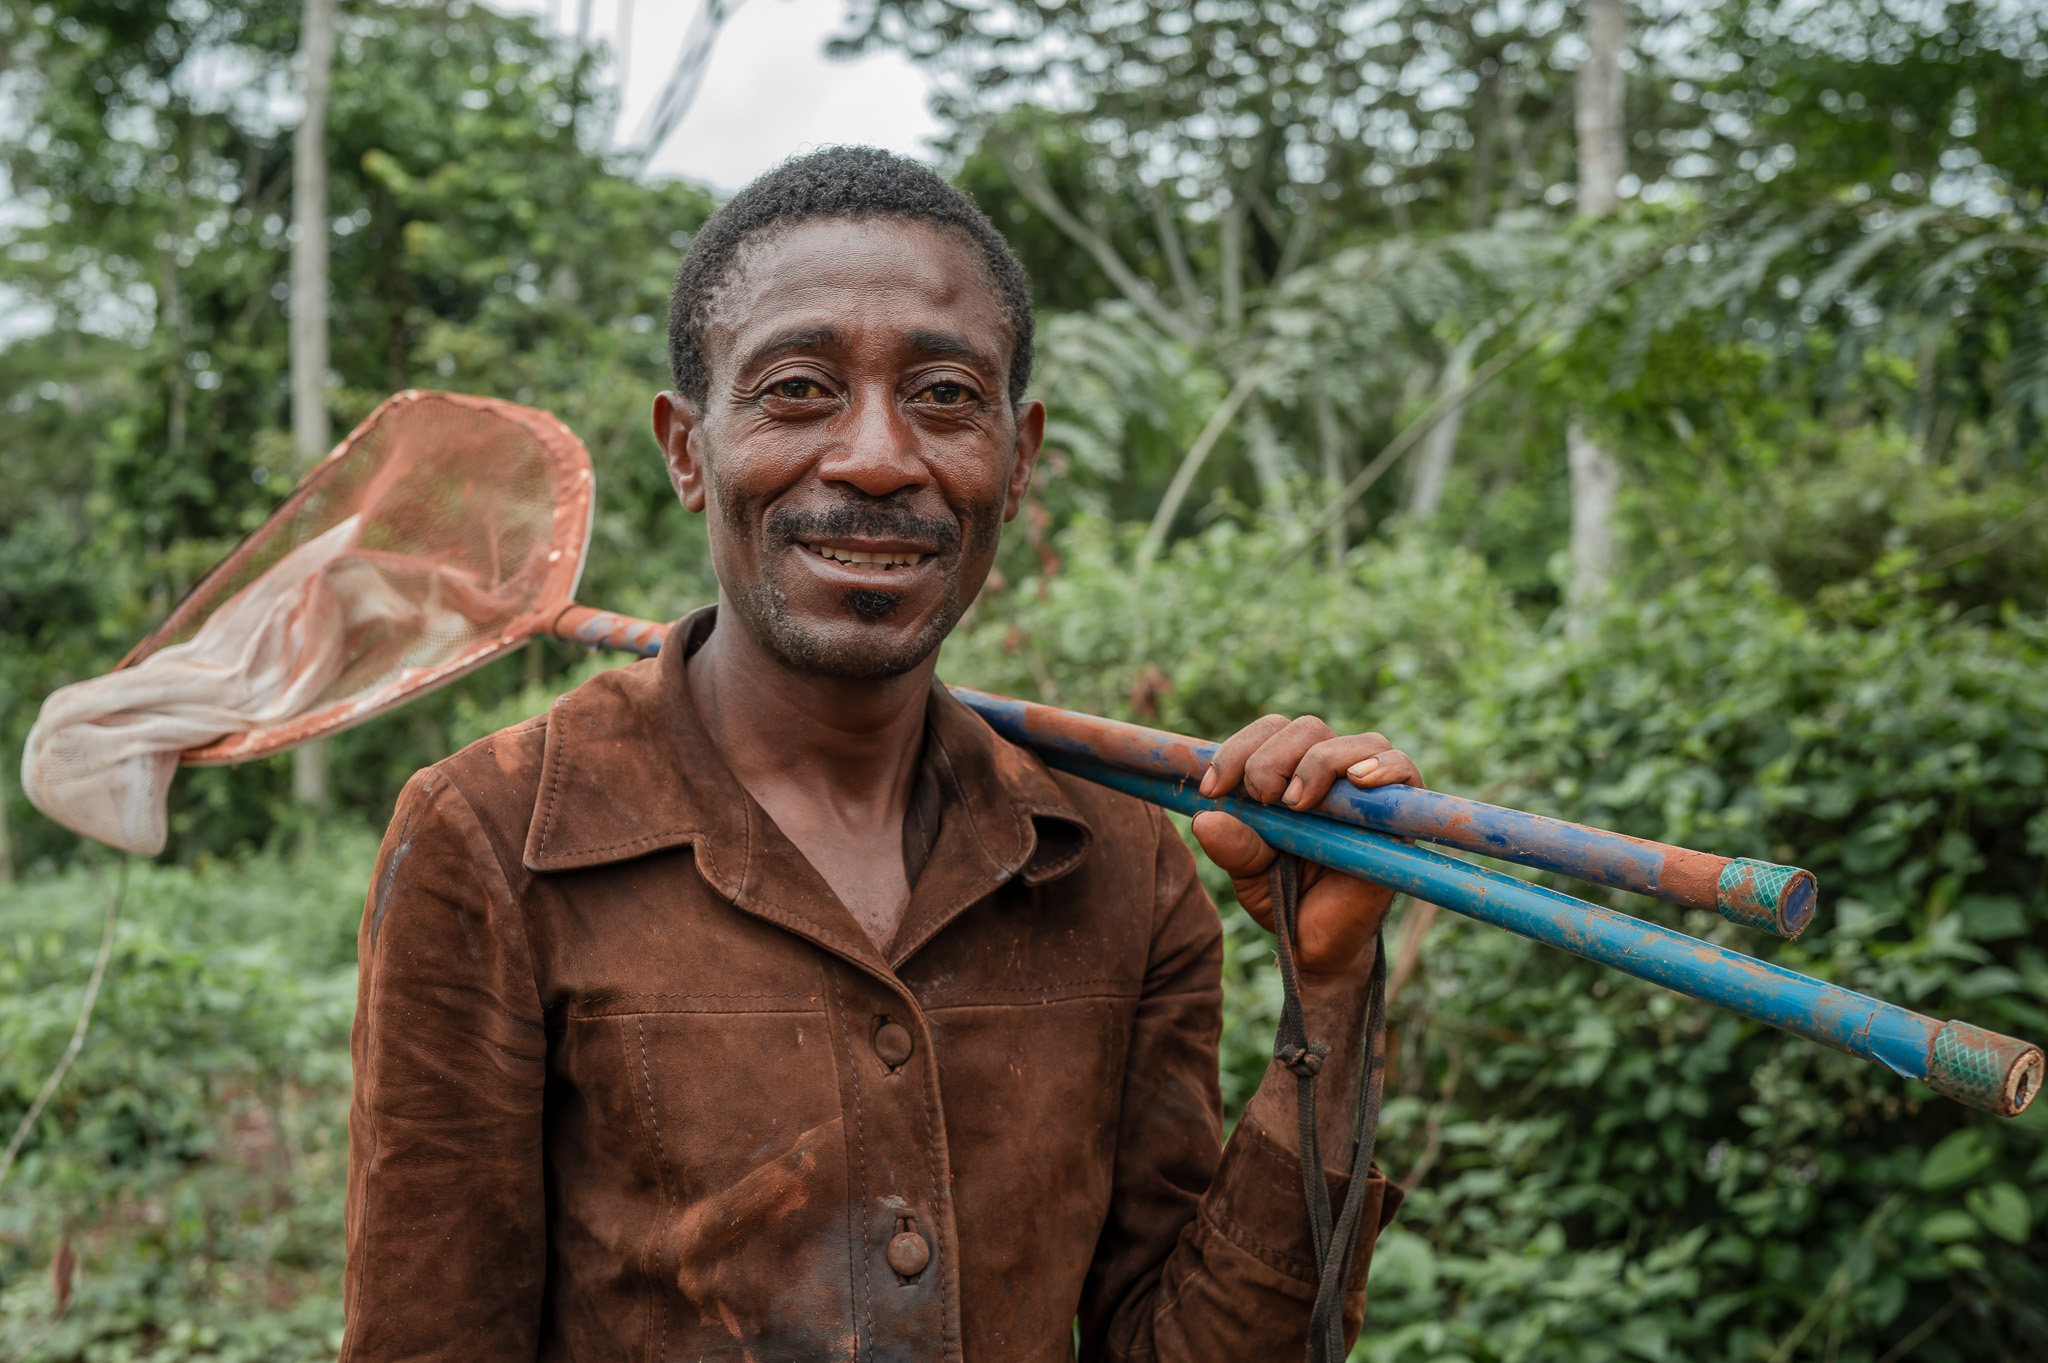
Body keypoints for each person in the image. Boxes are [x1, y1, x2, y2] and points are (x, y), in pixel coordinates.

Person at [341, 145, 1427, 1362]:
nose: (875, 457)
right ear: (688, 448)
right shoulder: (493, 835)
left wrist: (1327, 997)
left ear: (1015, 461)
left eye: (945, 397)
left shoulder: (1118, 856)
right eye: (798, 389)